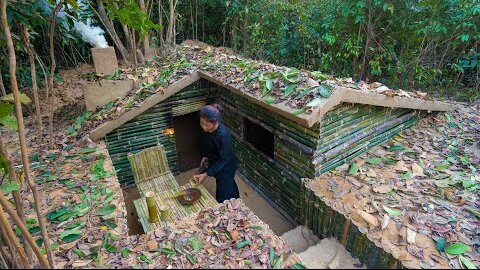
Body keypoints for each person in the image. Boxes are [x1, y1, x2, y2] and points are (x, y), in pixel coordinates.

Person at [193, 104, 240, 203]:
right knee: (230, 185)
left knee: (222, 197)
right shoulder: (207, 130)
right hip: (216, 162)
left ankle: (230, 212)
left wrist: (206, 174)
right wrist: (205, 156)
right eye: (202, 123)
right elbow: (208, 143)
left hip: (226, 168)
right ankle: (237, 200)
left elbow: (224, 159)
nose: (204, 128)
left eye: (207, 125)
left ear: (215, 123)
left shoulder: (223, 136)